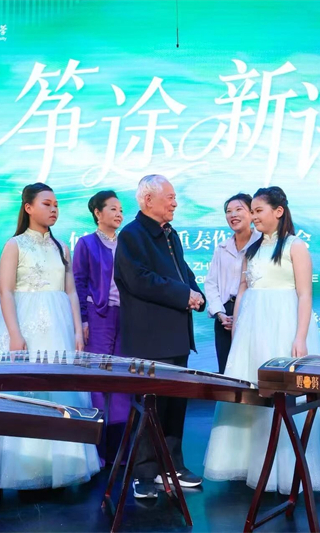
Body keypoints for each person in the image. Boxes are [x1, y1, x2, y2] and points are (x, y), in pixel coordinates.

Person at [203, 186, 320, 495]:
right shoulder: (254, 249)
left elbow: (305, 295)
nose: (254, 216)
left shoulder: (295, 246)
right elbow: (243, 289)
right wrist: (237, 329)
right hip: (251, 329)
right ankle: (250, 464)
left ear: (278, 211)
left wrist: (300, 337)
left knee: (281, 398)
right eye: (253, 211)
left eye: (258, 210)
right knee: (251, 394)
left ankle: (284, 470)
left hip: (281, 326)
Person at [0, 183, 100, 489]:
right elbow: (5, 291)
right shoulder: (14, 245)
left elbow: (71, 291)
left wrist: (78, 330)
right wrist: (15, 334)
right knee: (31, 392)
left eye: (56, 205)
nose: (54, 209)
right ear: (28, 208)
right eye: (46, 204)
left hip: (59, 326)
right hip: (27, 325)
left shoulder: (61, 247)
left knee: (62, 389)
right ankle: (28, 469)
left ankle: (66, 464)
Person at [113, 174, 206, 499]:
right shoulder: (131, 235)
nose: (175, 203)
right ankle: (143, 472)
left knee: (175, 405)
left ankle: (172, 466)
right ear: (147, 200)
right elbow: (139, 280)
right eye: (170, 197)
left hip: (176, 334)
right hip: (149, 338)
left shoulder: (170, 234)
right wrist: (183, 295)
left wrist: (196, 292)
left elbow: (182, 271)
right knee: (149, 406)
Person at [72, 190, 130, 464]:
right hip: (98, 317)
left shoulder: (127, 243)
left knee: (122, 378)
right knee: (97, 379)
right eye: (113, 209)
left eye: (121, 210)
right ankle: (98, 450)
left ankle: (120, 450)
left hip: (126, 317)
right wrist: (83, 319)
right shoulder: (86, 243)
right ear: (97, 213)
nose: (119, 214)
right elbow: (79, 282)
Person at [203, 193, 260, 374]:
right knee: (227, 370)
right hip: (225, 316)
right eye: (228, 211)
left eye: (238, 209)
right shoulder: (221, 248)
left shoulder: (262, 244)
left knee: (251, 368)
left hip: (254, 313)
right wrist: (220, 313)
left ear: (252, 213)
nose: (233, 215)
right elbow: (211, 284)